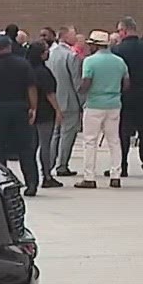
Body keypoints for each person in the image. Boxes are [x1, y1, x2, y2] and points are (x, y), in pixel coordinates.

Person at [0, 35, 39, 195]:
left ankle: (2, 183)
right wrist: (33, 108)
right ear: (9, 46)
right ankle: (31, 183)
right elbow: (31, 88)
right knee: (25, 149)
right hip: (20, 109)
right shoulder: (23, 65)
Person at [76, 30, 126, 189]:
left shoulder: (90, 62)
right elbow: (127, 83)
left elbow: (86, 83)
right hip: (114, 104)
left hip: (94, 104)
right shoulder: (119, 61)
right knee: (114, 141)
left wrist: (81, 90)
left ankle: (89, 177)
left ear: (95, 45)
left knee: (90, 141)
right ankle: (115, 175)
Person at [112, 16, 143, 179]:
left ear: (124, 30)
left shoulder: (117, 50)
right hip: (141, 94)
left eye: (119, 31)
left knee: (123, 132)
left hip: (123, 95)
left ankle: (122, 166)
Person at [46, 26, 85, 178]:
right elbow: (77, 82)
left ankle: (49, 163)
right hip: (69, 101)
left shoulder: (50, 54)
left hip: (54, 100)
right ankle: (62, 165)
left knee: (55, 134)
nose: (75, 38)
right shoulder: (71, 56)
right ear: (64, 37)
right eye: (73, 35)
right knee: (67, 134)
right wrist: (82, 102)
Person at [26, 41, 63, 189]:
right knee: (45, 144)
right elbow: (50, 93)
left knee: (31, 146)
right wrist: (58, 110)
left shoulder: (27, 70)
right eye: (46, 51)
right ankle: (47, 175)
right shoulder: (43, 72)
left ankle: (32, 175)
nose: (48, 53)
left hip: (29, 111)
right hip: (45, 112)